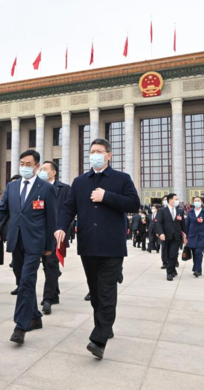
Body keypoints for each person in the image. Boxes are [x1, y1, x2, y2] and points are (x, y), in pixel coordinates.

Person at [55, 138, 139, 359]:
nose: (95, 155)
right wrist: (61, 227)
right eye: (92, 151)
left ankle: (98, 340)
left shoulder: (122, 179)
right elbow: (68, 208)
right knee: (95, 293)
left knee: (106, 291)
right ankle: (105, 325)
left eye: (99, 151)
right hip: (88, 245)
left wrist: (107, 196)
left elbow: (133, 204)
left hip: (112, 246)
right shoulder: (80, 182)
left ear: (109, 155)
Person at [0, 149, 57, 344]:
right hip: (16, 241)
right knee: (22, 280)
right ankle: (35, 317)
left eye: (28, 164)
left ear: (37, 166)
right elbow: (1, 209)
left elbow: (52, 219)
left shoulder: (46, 189)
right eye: (21, 163)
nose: (24, 167)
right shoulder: (12, 187)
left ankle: (20, 326)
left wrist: (50, 245)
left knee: (26, 281)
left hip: (36, 243)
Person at [38, 160, 70, 314]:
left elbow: (69, 211)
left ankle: (48, 299)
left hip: (57, 233)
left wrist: (63, 229)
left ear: (53, 172)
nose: (42, 171)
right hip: (40, 233)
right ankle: (55, 293)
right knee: (47, 265)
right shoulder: (37, 187)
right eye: (41, 169)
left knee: (51, 264)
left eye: (45, 169)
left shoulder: (64, 189)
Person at [156, 193, 185, 281]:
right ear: (170, 200)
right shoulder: (162, 211)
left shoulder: (180, 211)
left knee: (173, 254)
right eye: (175, 199)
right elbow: (159, 223)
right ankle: (173, 270)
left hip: (176, 236)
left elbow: (183, 224)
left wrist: (185, 235)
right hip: (166, 236)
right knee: (167, 254)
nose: (177, 201)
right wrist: (160, 233)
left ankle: (169, 273)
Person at [184, 197, 204, 277]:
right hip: (191, 235)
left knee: (198, 252)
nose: (197, 202)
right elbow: (187, 225)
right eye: (195, 201)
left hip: (202, 235)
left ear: (202, 202)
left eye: (198, 201)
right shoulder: (190, 212)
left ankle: (196, 269)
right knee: (194, 253)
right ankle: (198, 269)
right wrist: (185, 237)